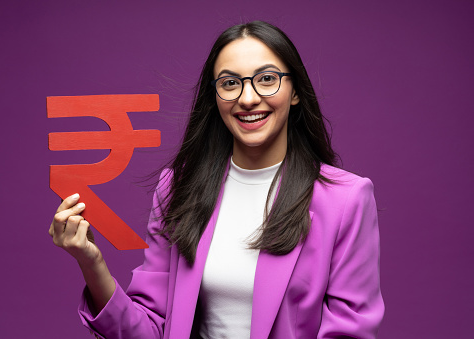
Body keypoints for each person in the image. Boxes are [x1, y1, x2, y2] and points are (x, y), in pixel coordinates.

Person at [49, 21, 384, 338]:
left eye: (267, 79)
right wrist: (91, 264)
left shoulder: (346, 199)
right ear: (215, 97)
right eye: (229, 83)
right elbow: (150, 329)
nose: (248, 98)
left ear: (295, 91)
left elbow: (348, 332)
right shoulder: (177, 188)